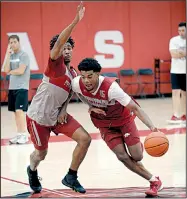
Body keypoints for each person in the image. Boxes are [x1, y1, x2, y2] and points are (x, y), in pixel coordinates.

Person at [71, 58, 163, 197]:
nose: (86, 81)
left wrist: (152, 127)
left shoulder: (112, 88)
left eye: (90, 76)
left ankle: (136, 144)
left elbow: (136, 109)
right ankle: (154, 181)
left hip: (123, 120)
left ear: (97, 74)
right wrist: (90, 106)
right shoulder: (77, 83)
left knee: (137, 156)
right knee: (122, 156)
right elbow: (78, 94)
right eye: (83, 77)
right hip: (105, 124)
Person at [26, 2, 91, 194]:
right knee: (41, 154)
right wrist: (75, 21)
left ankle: (71, 176)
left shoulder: (72, 73)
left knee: (85, 139)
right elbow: (60, 42)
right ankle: (32, 170)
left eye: (70, 47)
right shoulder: (55, 65)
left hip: (57, 116)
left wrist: (63, 109)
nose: (67, 50)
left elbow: (70, 92)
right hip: (39, 117)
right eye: (64, 47)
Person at [4, 35, 30, 144]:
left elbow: (20, 71)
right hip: (12, 88)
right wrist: (7, 54)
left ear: (19, 42)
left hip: (22, 87)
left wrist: (11, 72)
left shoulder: (24, 55)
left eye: (15, 42)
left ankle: (24, 135)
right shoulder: (11, 56)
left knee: (20, 111)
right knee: (15, 112)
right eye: (11, 42)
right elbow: (6, 70)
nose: (13, 44)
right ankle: (19, 134)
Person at [168, 22, 186, 124]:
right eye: (179, 30)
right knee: (175, 93)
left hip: (185, 71)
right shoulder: (174, 40)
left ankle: (184, 115)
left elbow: (177, 53)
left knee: (184, 94)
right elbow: (173, 54)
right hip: (176, 71)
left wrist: (179, 52)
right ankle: (176, 115)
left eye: (183, 30)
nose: (181, 32)